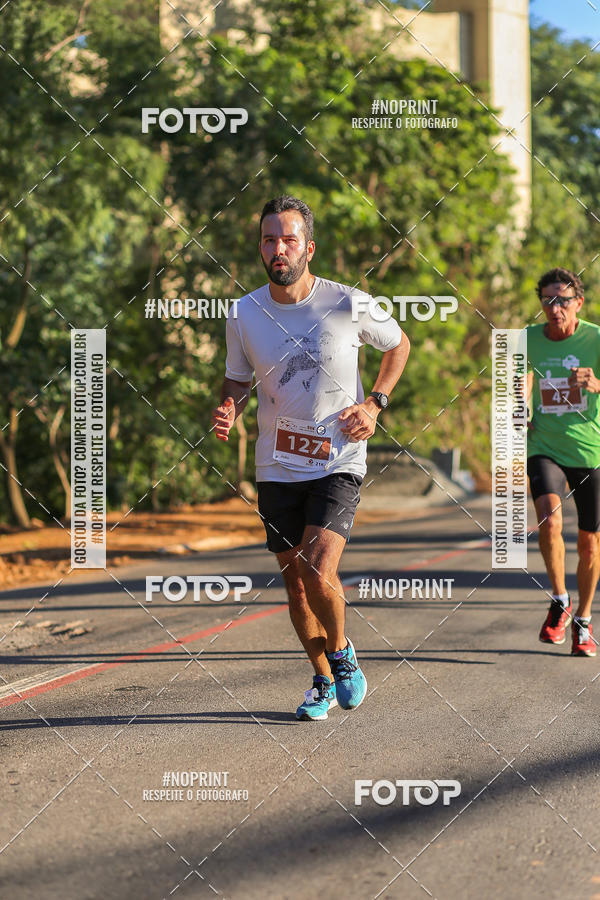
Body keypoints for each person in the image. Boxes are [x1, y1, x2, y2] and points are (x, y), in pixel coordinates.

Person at [212, 196, 410, 718]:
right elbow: (237, 378)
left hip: (338, 457)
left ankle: (341, 653)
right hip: (276, 463)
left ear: (309, 248)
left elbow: (399, 344)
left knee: (319, 569)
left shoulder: (347, 302)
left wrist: (375, 403)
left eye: (289, 239)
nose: (278, 249)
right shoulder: (244, 312)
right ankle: (321, 679)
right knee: (297, 585)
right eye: (269, 240)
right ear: (261, 248)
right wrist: (230, 406)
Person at [527, 267, 600, 657]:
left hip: (591, 451)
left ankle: (583, 620)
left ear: (579, 303)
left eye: (563, 301)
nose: (555, 308)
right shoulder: (527, 339)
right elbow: (511, 380)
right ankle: (559, 599)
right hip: (545, 446)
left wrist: (596, 384)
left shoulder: (596, 339)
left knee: (589, 543)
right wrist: (519, 404)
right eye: (548, 300)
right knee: (550, 520)